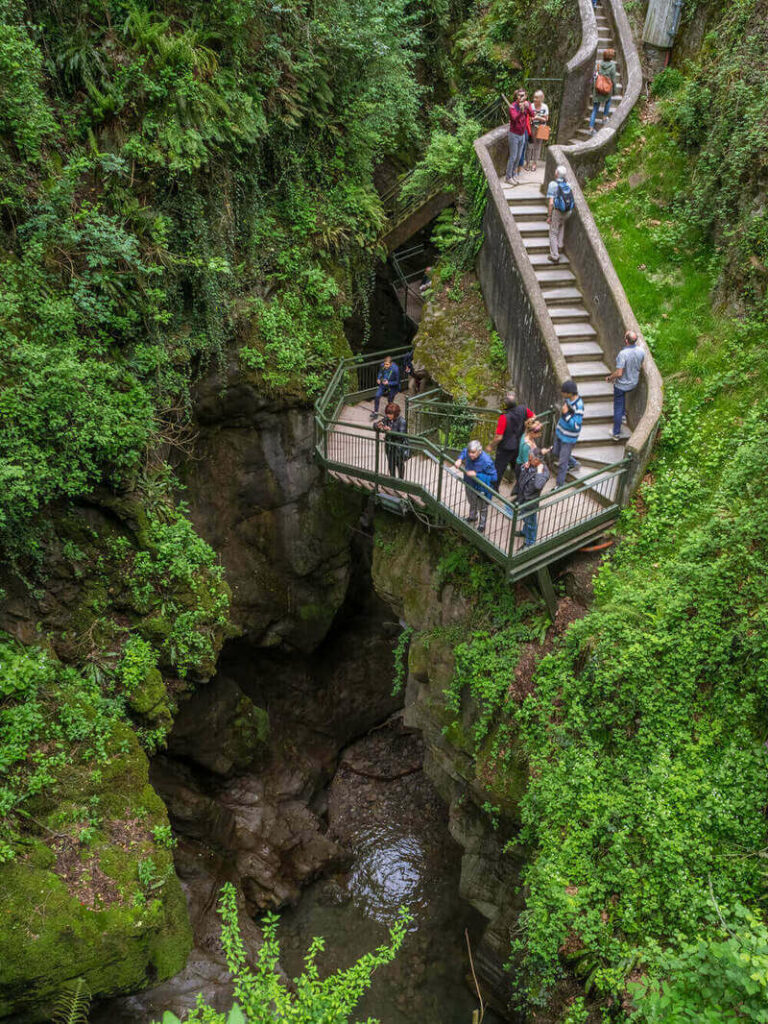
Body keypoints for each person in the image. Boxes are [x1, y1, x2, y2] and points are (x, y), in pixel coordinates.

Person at [486, 391, 534, 491]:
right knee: (518, 468)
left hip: (505, 448)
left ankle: (493, 490)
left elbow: (498, 437)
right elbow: (533, 417)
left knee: (498, 469)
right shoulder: (523, 409)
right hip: (518, 445)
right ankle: (523, 487)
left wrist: (491, 446)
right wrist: (526, 428)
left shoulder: (503, 417)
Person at [606, 330, 644, 441]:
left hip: (622, 385)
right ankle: (623, 416)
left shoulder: (623, 354)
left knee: (618, 405)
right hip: (633, 383)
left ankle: (616, 433)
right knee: (622, 399)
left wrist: (609, 378)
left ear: (626, 340)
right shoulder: (641, 351)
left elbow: (619, 373)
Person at [454, 440, 498, 533]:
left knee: (482, 507)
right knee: (471, 500)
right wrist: (460, 459)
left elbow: (494, 477)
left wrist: (477, 475)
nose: (470, 455)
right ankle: (473, 516)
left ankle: (482, 524)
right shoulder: (468, 452)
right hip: (469, 482)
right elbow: (464, 451)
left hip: (480, 487)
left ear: (479, 451)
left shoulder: (487, 461)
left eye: (473, 453)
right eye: (470, 452)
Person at [552, 379, 584, 487]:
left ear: (569, 393)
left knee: (562, 462)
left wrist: (566, 414)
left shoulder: (579, 406)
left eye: (563, 392)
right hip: (560, 433)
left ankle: (559, 484)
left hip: (568, 438)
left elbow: (576, 426)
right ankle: (574, 463)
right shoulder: (568, 400)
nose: (562, 393)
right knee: (556, 452)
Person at [516, 447, 550, 546]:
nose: (529, 460)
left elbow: (538, 485)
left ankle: (530, 542)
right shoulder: (531, 464)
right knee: (525, 518)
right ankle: (524, 532)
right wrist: (524, 468)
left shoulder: (544, 471)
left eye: (530, 459)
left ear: (537, 460)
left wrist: (539, 472)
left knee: (531, 522)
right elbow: (521, 479)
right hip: (523, 496)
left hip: (531, 501)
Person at [546, 165, 575, 264]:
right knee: (562, 225)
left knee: (553, 232)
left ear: (557, 173)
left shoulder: (553, 185)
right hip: (568, 212)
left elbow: (551, 203)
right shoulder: (568, 185)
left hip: (558, 211)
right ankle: (560, 245)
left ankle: (555, 256)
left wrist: (549, 216)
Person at [505, 89, 532, 185]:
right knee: (513, 156)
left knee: (519, 156)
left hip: (522, 135)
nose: (521, 97)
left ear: (526, 96)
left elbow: (532, 114)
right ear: (517, 96)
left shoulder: (526, 104)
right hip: (514, 134)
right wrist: (521, 111)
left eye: (523, 95)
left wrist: (527, 108)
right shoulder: (513, 106)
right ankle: (508, 177)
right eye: (519, 95)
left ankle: (513, 174)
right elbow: (514, 118)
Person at [375, 402, 408, 478]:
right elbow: (375, 425)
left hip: (398, 447)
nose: (388, 415)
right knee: (391, 464)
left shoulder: (402, 421)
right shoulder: (387, 418)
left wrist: (391, 430)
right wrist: (378, 425)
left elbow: (402, 436)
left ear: (395, 413)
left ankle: (401, 480)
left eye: (390, 414)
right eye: (387, 413)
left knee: (399, 464)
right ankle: (392, 479)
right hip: (389, 446)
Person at [589, 49, 617, 134]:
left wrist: (592, 88)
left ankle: (591, 128)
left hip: (597, 89)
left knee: (594, 109)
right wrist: (614, 90)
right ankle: (604, 118)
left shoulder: (598, 65)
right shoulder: (612, 66)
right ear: (611, 57)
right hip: (606, 89)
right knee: (608, 101)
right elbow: (613, 80)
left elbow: (594, 77)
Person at [515, 419, 548, 486]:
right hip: (522, 467)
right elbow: (527, 463)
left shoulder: (527, 435)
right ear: (532, 433)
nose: (540, 435)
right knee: (523, 485)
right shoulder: (526, 446)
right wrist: (541, 453)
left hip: (523, 463)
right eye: (539, 433)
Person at [526, 91, 549, 172]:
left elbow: (546, 119)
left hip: (541, 129)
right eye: (534, 97)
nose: (534, 99)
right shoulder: (531, 106)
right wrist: (533, 118)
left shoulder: (545, 107)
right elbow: (528, 116)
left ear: (541, 99)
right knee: (530, 146)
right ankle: (528, 163)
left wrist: (537, 117)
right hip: (532, 127)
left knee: (538, 146)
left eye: (536, 98)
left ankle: (534, 163)